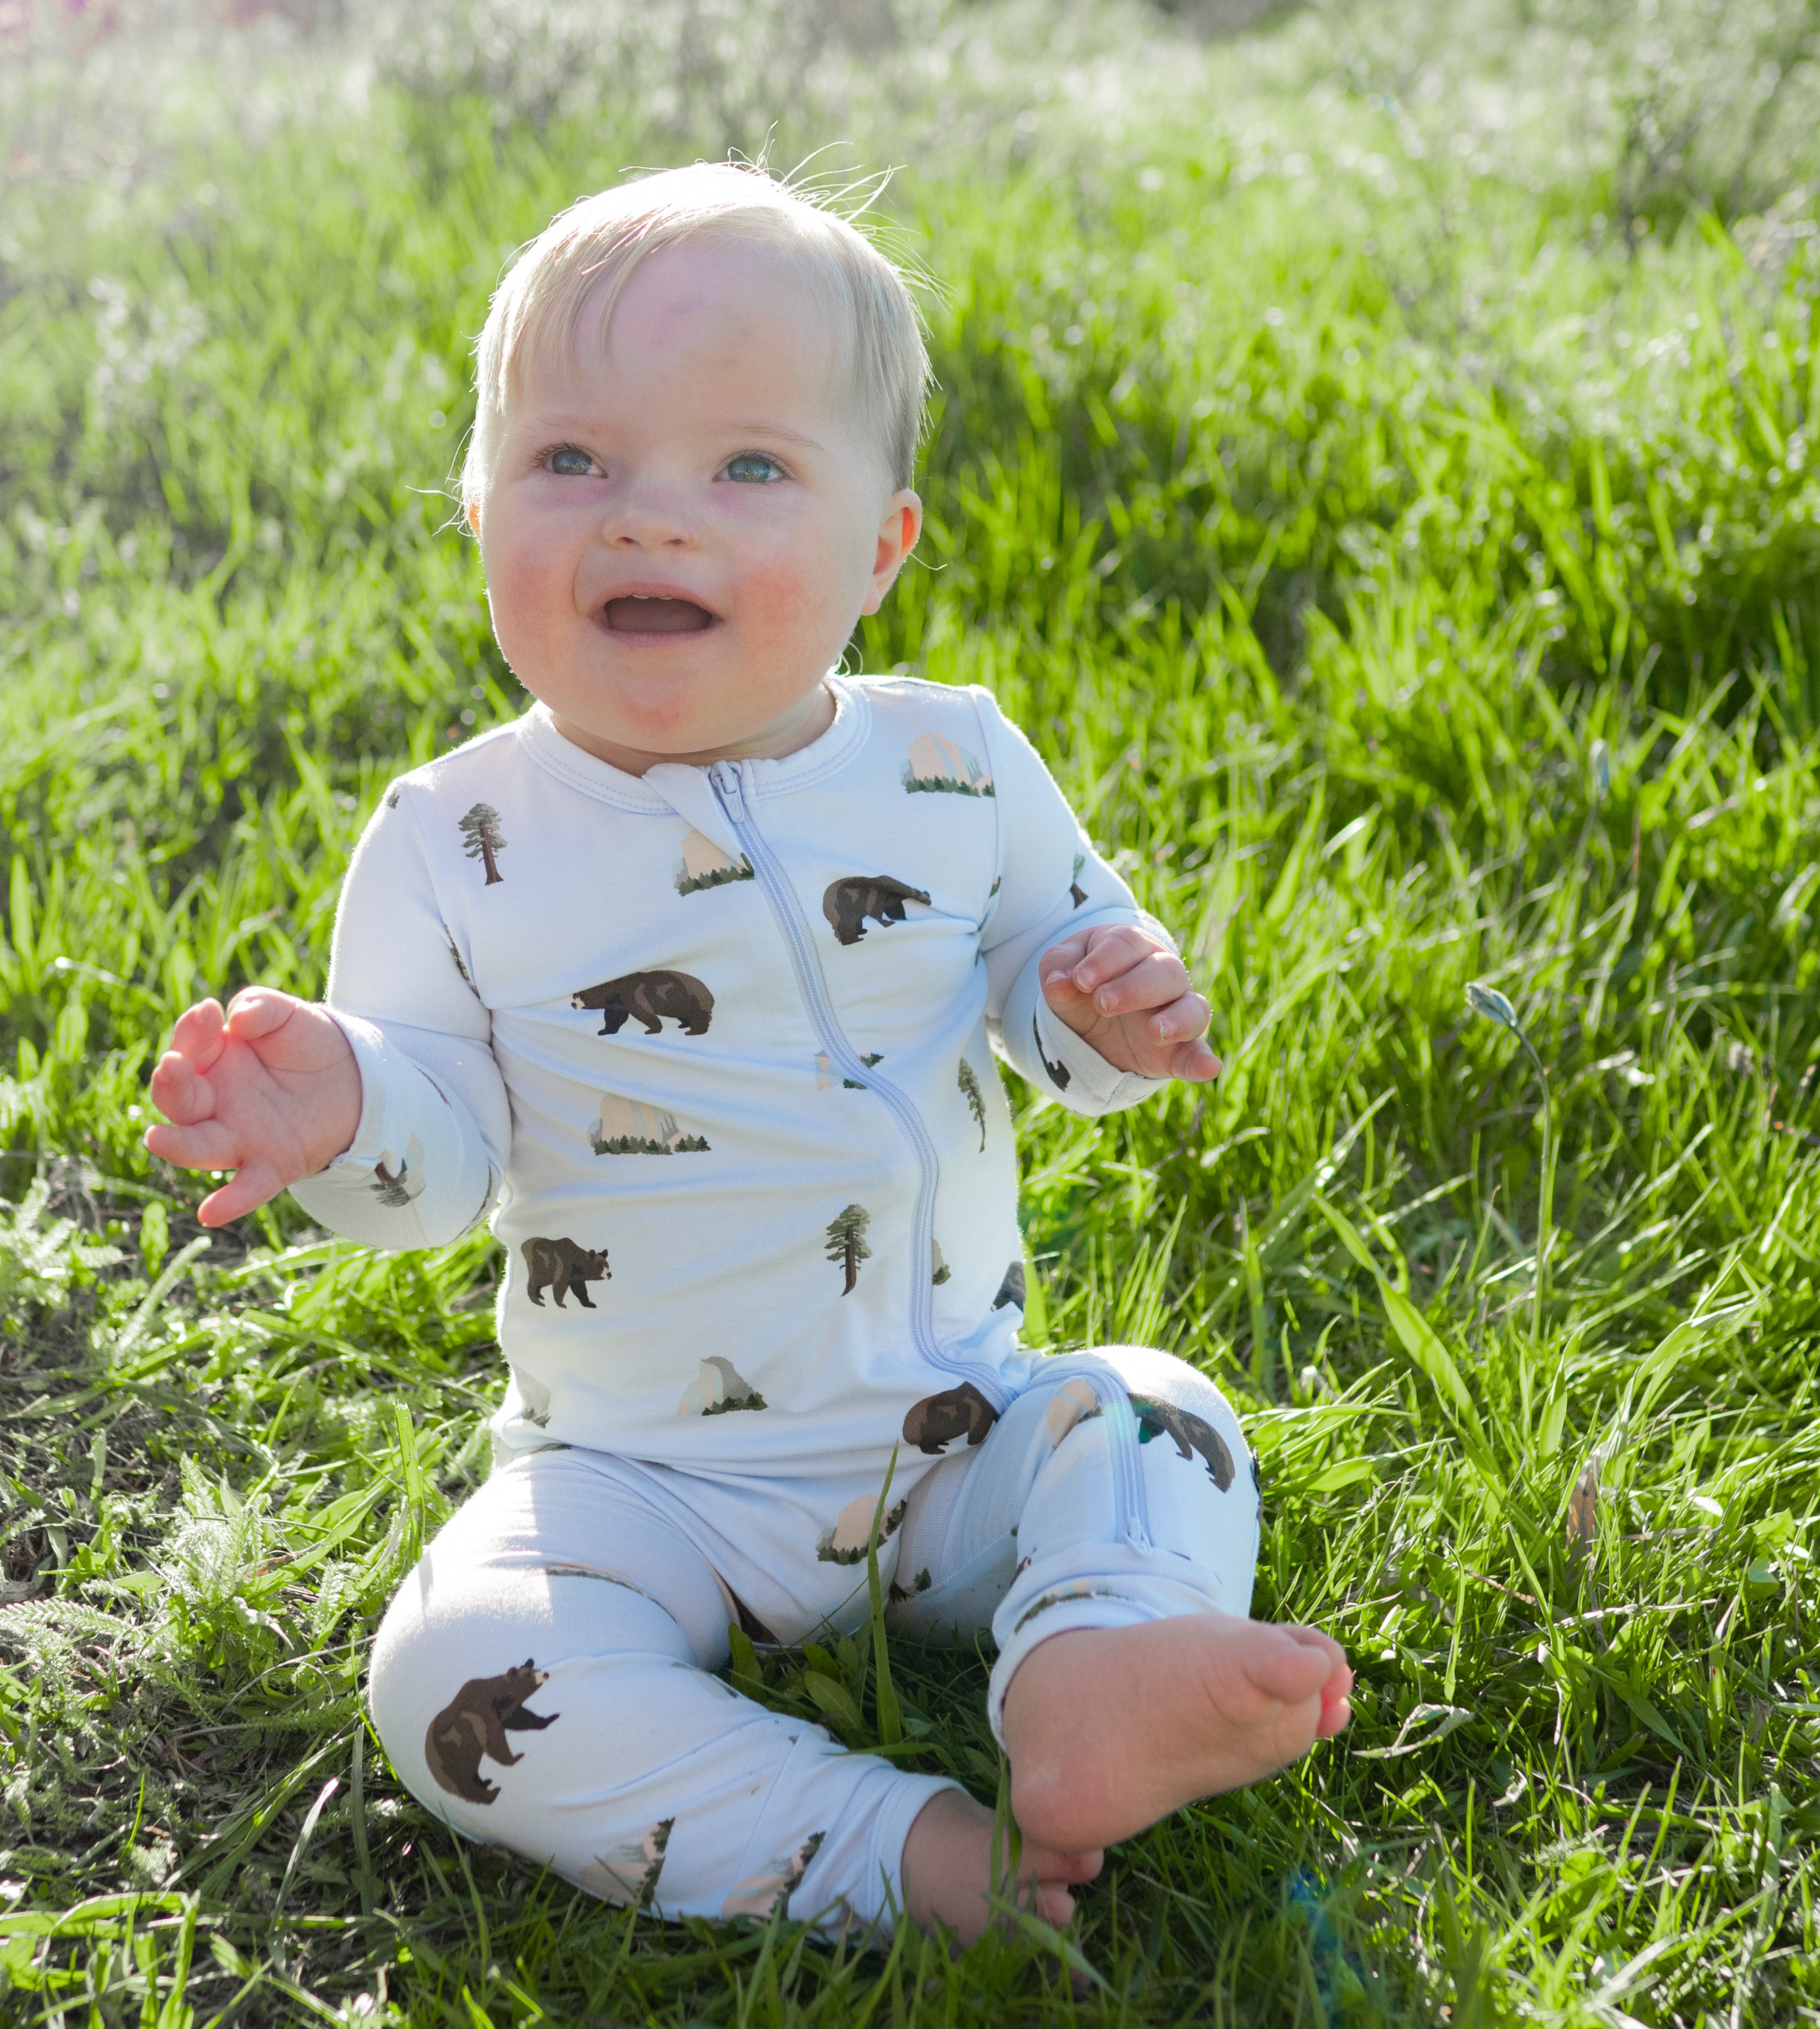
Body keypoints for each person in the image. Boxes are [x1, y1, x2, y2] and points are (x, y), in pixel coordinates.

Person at [143, 162, 1351, 1946]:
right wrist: (340, 1108)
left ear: (882, 547)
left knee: (1160, 1413)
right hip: (642, 1484)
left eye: (749, 468)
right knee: (454, 1679)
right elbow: (442, 1154)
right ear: (475, 509)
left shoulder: (954, 766)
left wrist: (1098, 1011)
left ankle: (1090, 1673)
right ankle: (903, 1856)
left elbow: (1051, 974)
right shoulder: (452, 836)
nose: (649, 520)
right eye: (572, 462)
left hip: (958, 1437)